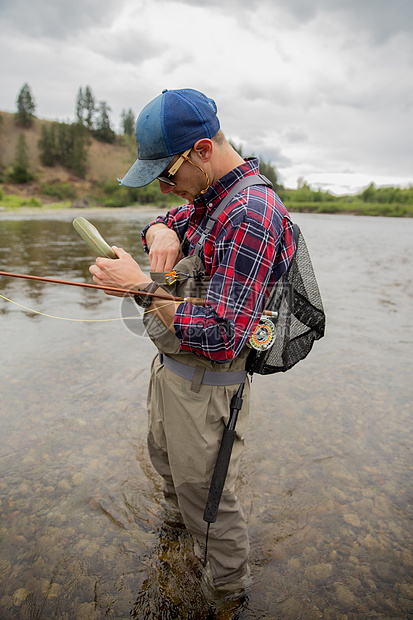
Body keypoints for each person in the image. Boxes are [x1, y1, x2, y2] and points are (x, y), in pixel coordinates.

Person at [89, 88, 295, 595]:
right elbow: (161, 223)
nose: (164, 189)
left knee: (210, 507)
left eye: (167, 175)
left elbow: (224, 335)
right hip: (173, 377)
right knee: (167, 472)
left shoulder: (250, 213)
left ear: (202, 151)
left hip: (208, 390)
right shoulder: (206, 196)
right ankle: (173, 547)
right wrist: (159, 230)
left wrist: (139, 286)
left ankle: (225, 596)